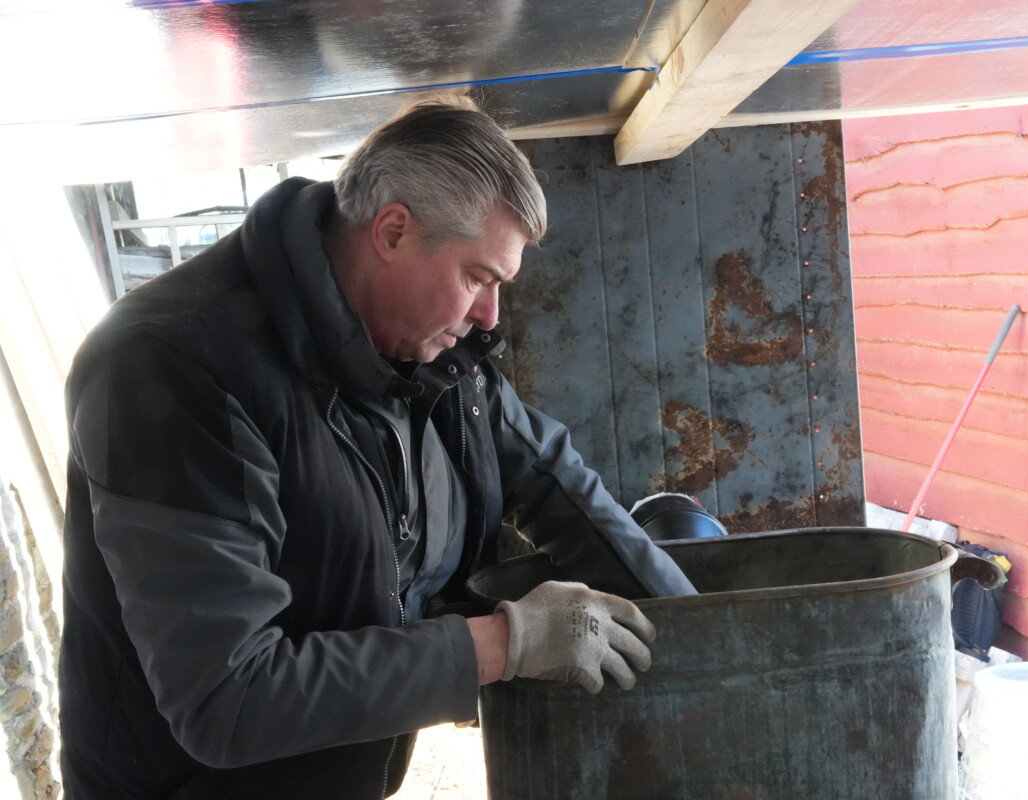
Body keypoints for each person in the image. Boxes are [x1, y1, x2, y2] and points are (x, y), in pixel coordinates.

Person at [59, 101, 697, 799]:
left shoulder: (430, 350)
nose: (490, 316)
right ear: (393, 231)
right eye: (478, 278)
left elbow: (553, 482)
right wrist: (505, 643)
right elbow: (226, 698)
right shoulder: (171, 368)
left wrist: (701, 629)